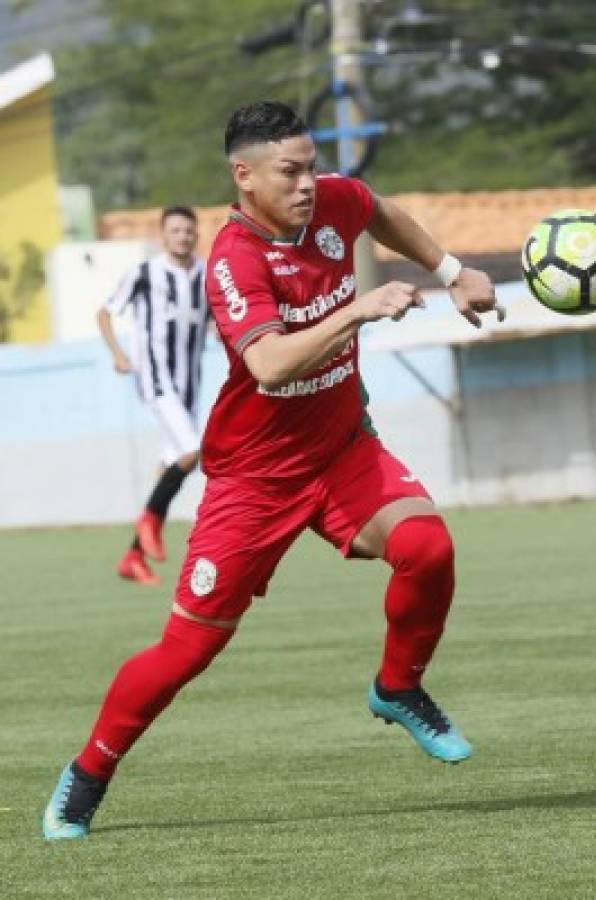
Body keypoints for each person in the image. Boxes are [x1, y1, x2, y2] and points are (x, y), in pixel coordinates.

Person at [43, 101, 500, 840]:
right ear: (244, 175)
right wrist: (357, 310)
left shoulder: (332, 205)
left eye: (312, 165)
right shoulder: (234, 259)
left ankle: (398, 687)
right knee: (185, 652)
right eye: (290, 171)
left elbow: (377, 208)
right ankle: (88, 773)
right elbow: (267, 362)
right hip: (253, 481)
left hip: (343, 448)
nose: (309, 183)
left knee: (429, 548)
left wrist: (451, 270)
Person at [96, 206, 209, 586]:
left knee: (172, 466)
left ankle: (133, 556)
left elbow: (220, 320)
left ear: (195, 235)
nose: (183, 236)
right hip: (157, 380)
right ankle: (149, 523)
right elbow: (105, 312)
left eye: (188, 231)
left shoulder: (205, 274)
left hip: (189, 385)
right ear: (163, 236)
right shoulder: (145, 274)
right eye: (175, 231)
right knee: (191, 451)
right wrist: (118, 354)